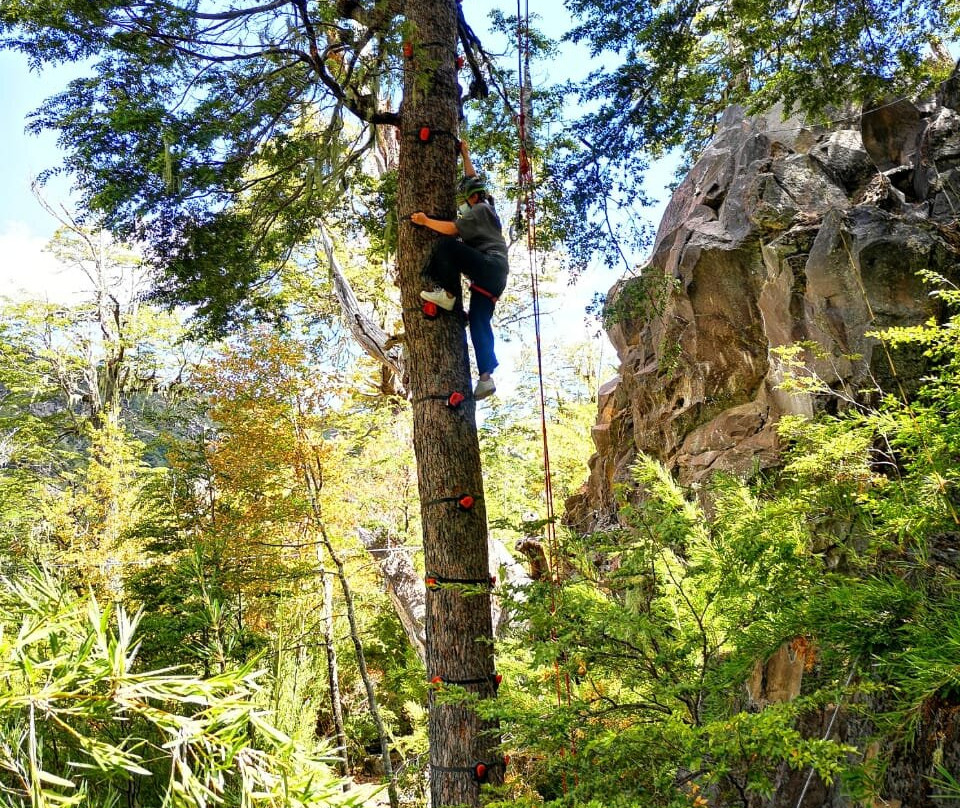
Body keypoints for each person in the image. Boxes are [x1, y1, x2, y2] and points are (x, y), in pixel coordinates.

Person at [410, 140, 509, 400]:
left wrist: (425, 221)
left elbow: (453, 229)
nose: (464, 204)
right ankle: (486, 378)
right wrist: (465, 153)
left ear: (472, 199)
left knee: (447, 245)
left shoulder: (479, 210)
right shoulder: (486, 207)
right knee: (478, 322)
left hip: (489, 267)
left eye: (466, 199)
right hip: (492, 280)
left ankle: (449, 295)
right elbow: (472, 180)